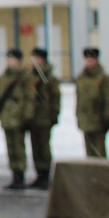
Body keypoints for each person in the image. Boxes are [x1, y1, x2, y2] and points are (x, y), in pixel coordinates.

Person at [0, 49, 34, 190]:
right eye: (8, 59)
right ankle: (14, 175)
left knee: (18, 148)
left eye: (12, 59)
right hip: (7, 117)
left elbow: (30, 98)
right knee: (10, 148)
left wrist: (27, 116)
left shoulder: (24, 77)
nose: (10, 62)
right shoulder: (4, 77)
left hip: (18, 118)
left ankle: (20, 175)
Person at [26, 48, 61, 189]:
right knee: (35, 148)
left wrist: (54, 114)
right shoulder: (29, 77)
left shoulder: (49, 78)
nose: (35, 61)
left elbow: (56, 98)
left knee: (44, 148)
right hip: (32, 117)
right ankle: (39, 175)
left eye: (37, 58)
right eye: (33, 58)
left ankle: (46, 174)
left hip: (44, 117)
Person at [75, 47, 109, 158]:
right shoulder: (81, 78)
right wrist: (78, 116)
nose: (89, 62)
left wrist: (106, 118)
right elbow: (79, 99)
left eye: (91, 59)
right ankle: (91, 174)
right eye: (87, 59)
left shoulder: (104, 79)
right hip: (86, 119)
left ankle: (101, 175)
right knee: (89, 152)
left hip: (99, 120)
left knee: (100, 152)